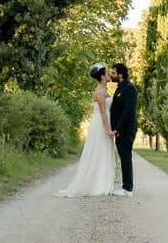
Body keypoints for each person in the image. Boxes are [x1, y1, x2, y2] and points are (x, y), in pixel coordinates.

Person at [56, 62, 116, 197]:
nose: (109, 75)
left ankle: (103, 182)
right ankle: (96, 184)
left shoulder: (104, 90)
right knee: (98, 152)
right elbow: (102, 112)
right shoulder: (100, 91)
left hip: (103, 124)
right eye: (106, 73)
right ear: (101, 77)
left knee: (103, 152)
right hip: (100, 125)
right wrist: (108, 130)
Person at [109, 62, 137, 196]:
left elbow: (128, 112)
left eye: (113, 73)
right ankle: (126, 187)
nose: (111, 75)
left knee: (125, 157)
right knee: (123, 157)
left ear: (120, 74)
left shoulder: (129, 88)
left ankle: (127, 189)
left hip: (126, 130)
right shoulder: (121, 87)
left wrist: (118, 129)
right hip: (120, 130)